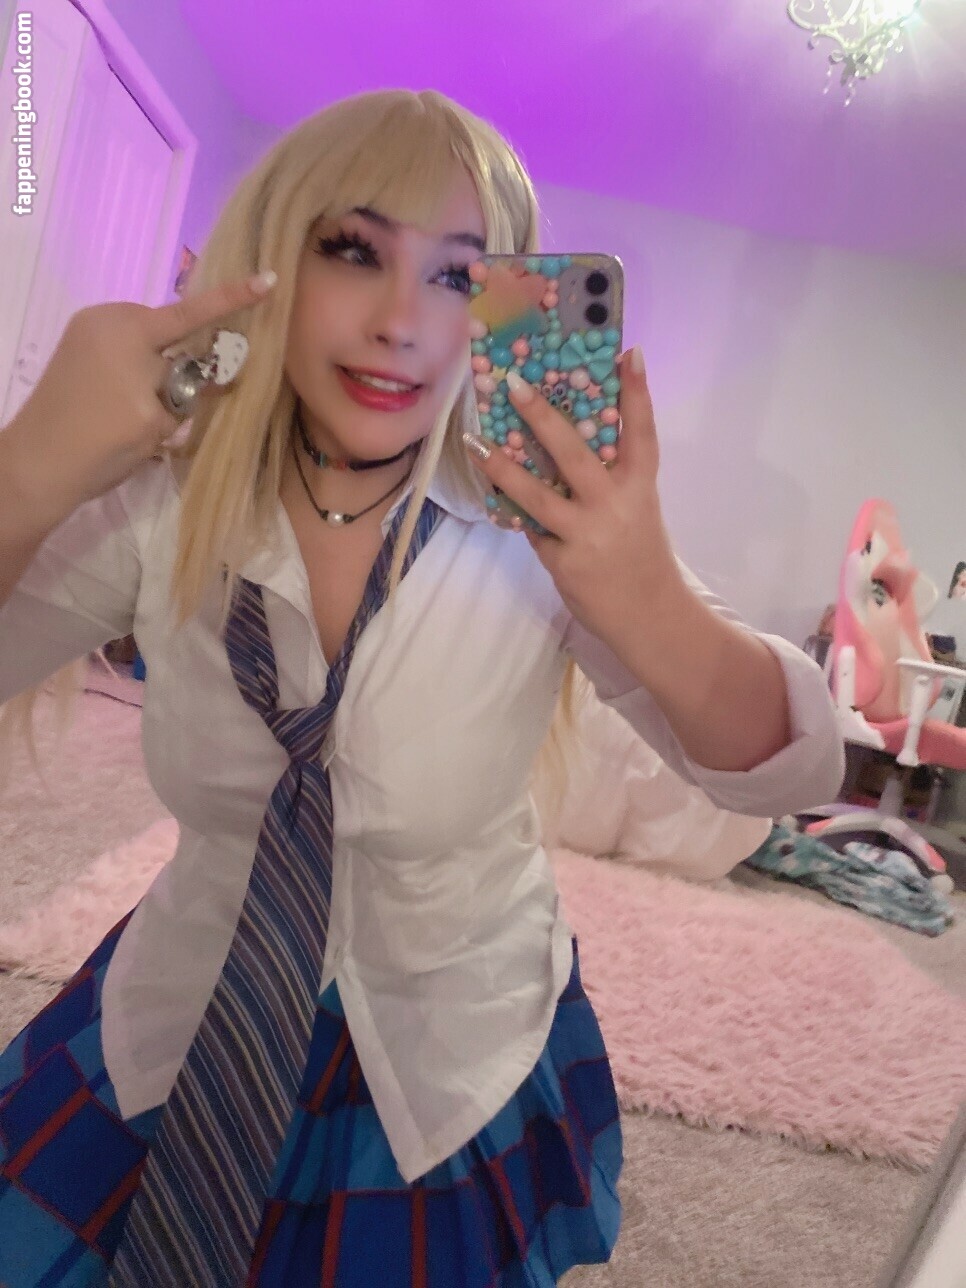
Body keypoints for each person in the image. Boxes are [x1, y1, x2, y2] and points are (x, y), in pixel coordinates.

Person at [0, 88, 844, 1285]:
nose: (402, 321)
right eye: (354, 250)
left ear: (500, 309)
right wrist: (28, 467)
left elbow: (792, 772)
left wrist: (644, 592)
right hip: (186, 1010)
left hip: (453, 1050)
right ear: (273, 261)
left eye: (455, 275)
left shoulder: (540, 533)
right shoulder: (162, 505)